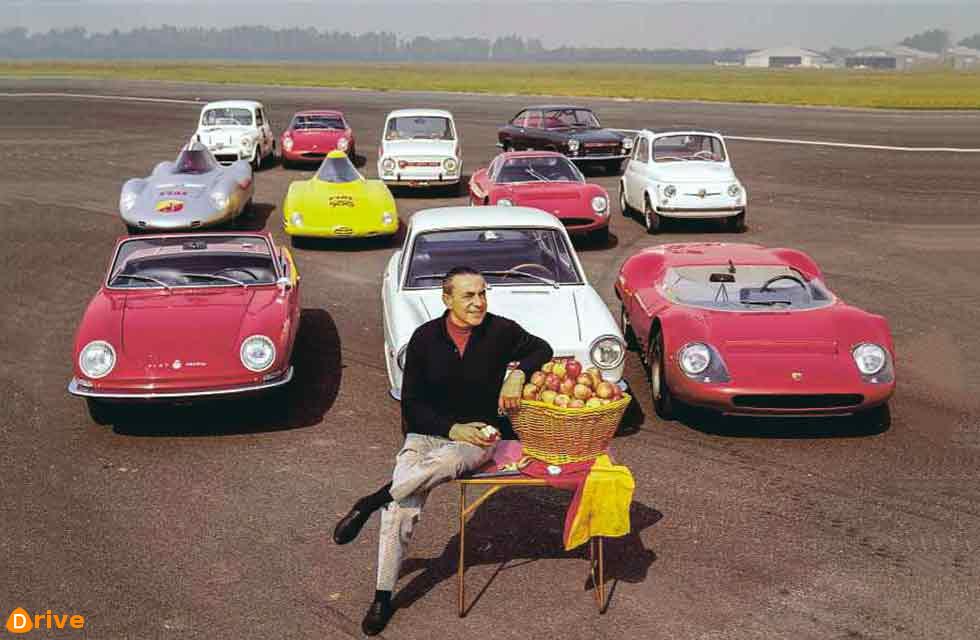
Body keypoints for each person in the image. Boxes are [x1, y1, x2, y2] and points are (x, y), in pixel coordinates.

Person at [333, 266, 553, 635]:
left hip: (477, 438)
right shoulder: (424, 338)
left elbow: (541, 348)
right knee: (401, 510)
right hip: (426, 435)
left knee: (450, 460)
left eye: (482, 293)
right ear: (447, 299)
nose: (479, 302)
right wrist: (451, 428)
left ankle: (372, 501)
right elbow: (411, 404)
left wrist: (518, 374)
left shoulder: (501, 331)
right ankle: (383, 596)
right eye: (468, 295)